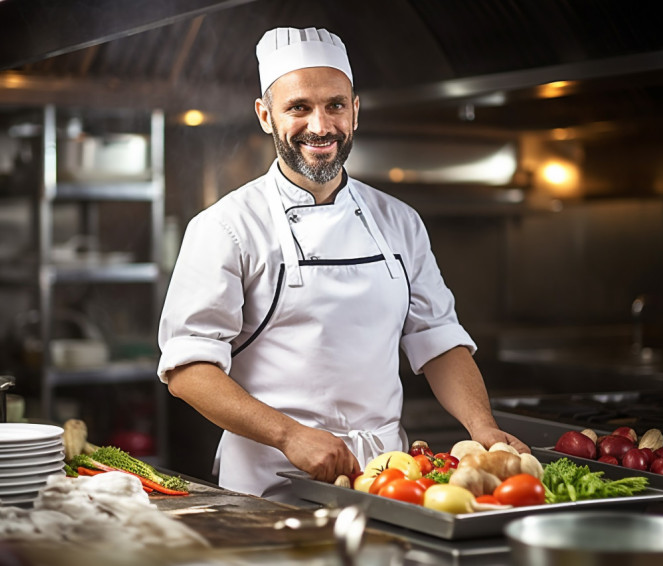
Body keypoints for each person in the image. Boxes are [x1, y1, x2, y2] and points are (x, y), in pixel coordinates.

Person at [157, 26, 528, 503]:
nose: (320, 126)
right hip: (269, 484)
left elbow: (438, 339)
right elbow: (189, 369)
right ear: (266, 115)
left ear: (355, 109)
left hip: (389, 480)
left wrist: (484, 429)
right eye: (298, 108)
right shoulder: (226, 227)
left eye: (334, 105)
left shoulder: (399, 221)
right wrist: (290, 436)